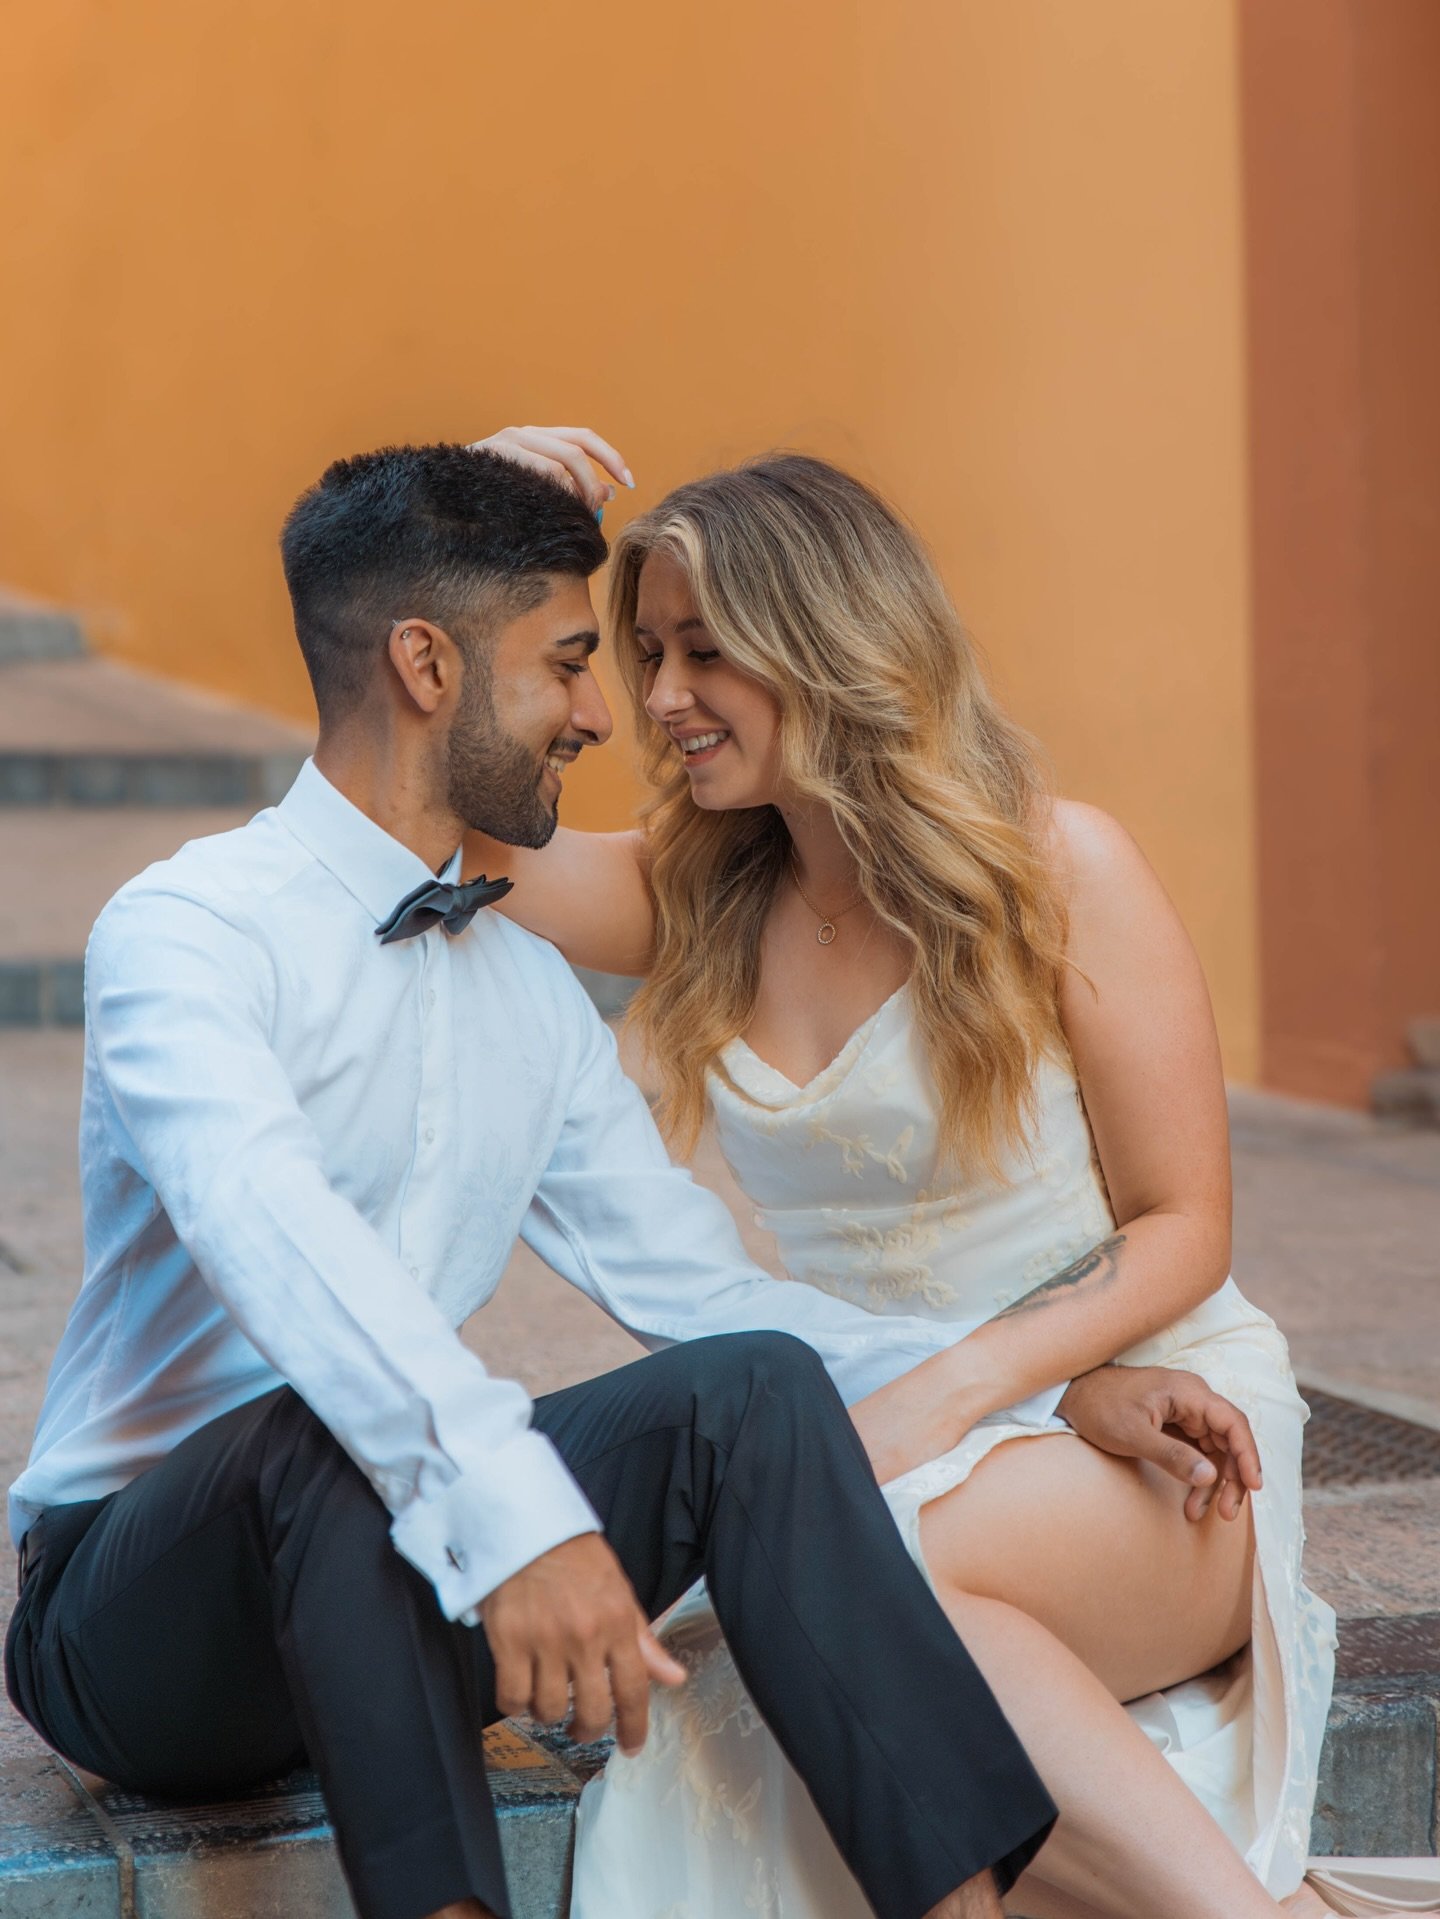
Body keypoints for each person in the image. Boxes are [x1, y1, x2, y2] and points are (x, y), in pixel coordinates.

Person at [2, 440, 1265, 1919]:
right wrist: (521, 1512)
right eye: (569, 663)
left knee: (751, 1388)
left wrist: (1051, 1395)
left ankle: (956, 1905)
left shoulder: (522, 996)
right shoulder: (189, 929)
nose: (611, 715)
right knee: (324, 1432)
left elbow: (700, 1283)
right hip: (145, 1629)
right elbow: (271, 1234)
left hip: (408, 1569)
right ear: (425, 666)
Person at [464, 429, 1440, 1919]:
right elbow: (417, 816)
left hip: (1158, 1442)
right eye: (648, 652)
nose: (660, 700)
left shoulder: (1060, 870)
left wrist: (958, 1392)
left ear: (833, 642)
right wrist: (466, 526)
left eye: (705, 652)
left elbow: (1185, 1226)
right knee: (813, 1648)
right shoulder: (698, 889)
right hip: (880, 1441)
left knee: (854, 1605)